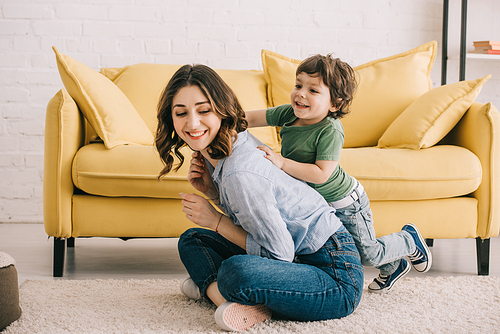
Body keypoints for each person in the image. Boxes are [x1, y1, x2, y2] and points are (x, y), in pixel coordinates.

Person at [155, 64, 364, 332]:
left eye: (204, 110)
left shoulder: (240, 171)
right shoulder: (221, 149)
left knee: (234, 272)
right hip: (297, 259)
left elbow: (280, 254)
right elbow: (252, 219)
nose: (192, 123)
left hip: (333, 276)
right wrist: (212, 193)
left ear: (221, 108)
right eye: (181, 113)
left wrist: (216, 220)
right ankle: (231, 299)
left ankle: (221, 292)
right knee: (192, 240)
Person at [245, 54, 432, 294]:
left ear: (335, 104)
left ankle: (409, 240)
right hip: (319, 205)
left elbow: (321, 174)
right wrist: (220, 122)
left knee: (368, 253)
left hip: (346, 203)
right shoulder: (289, 113)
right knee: (348, 251)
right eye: (298, 85)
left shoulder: (330, 129)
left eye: (313, 90)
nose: (300, 94)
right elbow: (249, 118)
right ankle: (393, 266)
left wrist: (281, 163)